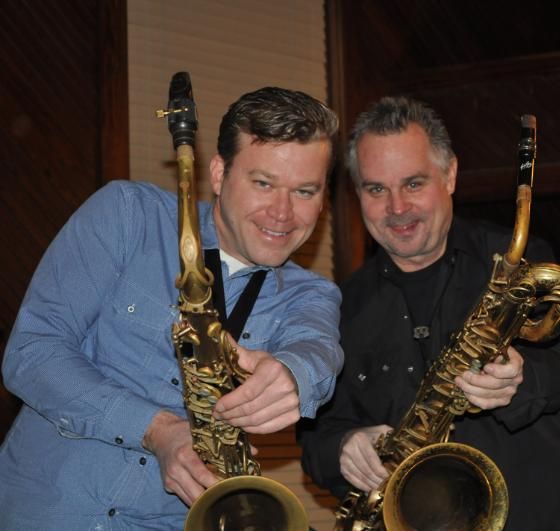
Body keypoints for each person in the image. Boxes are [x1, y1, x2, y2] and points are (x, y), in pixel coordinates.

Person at [0, 86, 344, 529]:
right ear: (218, 174)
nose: (282, 212)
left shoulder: (311, 293)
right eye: (263, 183)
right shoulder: (128, 215)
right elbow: (31, 353)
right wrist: (157, 430)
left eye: (305, 191)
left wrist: (295, 375)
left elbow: (317, 348)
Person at [298, 96, 560, 530]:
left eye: (414, 184)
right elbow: (316, 438)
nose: (397, 208)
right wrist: (344, 446)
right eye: (376, 189)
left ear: (450, 174)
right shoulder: (340, 308)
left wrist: (518, 379)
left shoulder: (519, 261)